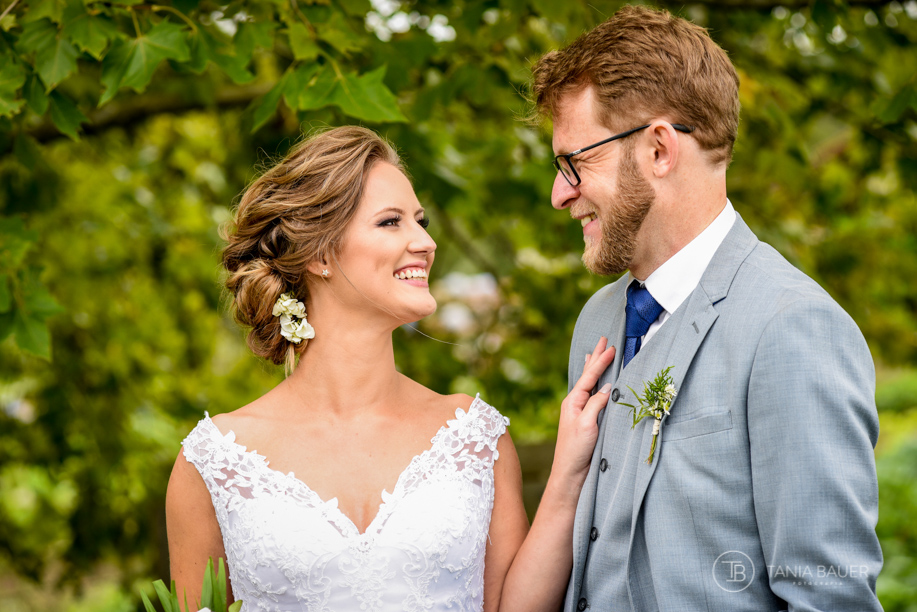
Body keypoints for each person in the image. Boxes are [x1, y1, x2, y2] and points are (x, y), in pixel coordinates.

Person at [165, 125, 615, 611]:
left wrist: (568, 472)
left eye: (420, 221)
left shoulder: (474, 438)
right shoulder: (213, 465)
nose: (425, 242)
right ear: (319, 253)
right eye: (391, 222)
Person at [531, 6, 883, 612]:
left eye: (575, 162)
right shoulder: (596, 321)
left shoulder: (792, 326)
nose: (560, 193)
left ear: (659, 150)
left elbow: (831, 600)